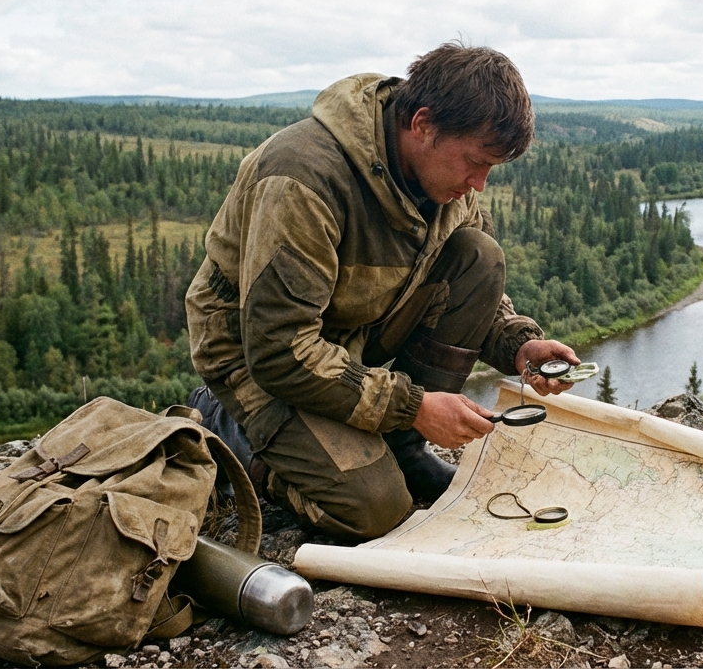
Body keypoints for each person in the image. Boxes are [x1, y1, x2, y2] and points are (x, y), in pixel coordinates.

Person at [185, 42, 578, 540]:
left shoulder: (443, 182)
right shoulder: (302, 176)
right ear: (422, 124)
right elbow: (280, 349)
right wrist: (415, 406)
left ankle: (402, 449)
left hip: (352, 331)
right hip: (256, 355)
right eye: (475, 162)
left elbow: (466, 283)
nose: (479, 183)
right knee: (376, 510)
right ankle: (230, 429)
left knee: (480, 253)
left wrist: (518, 345)